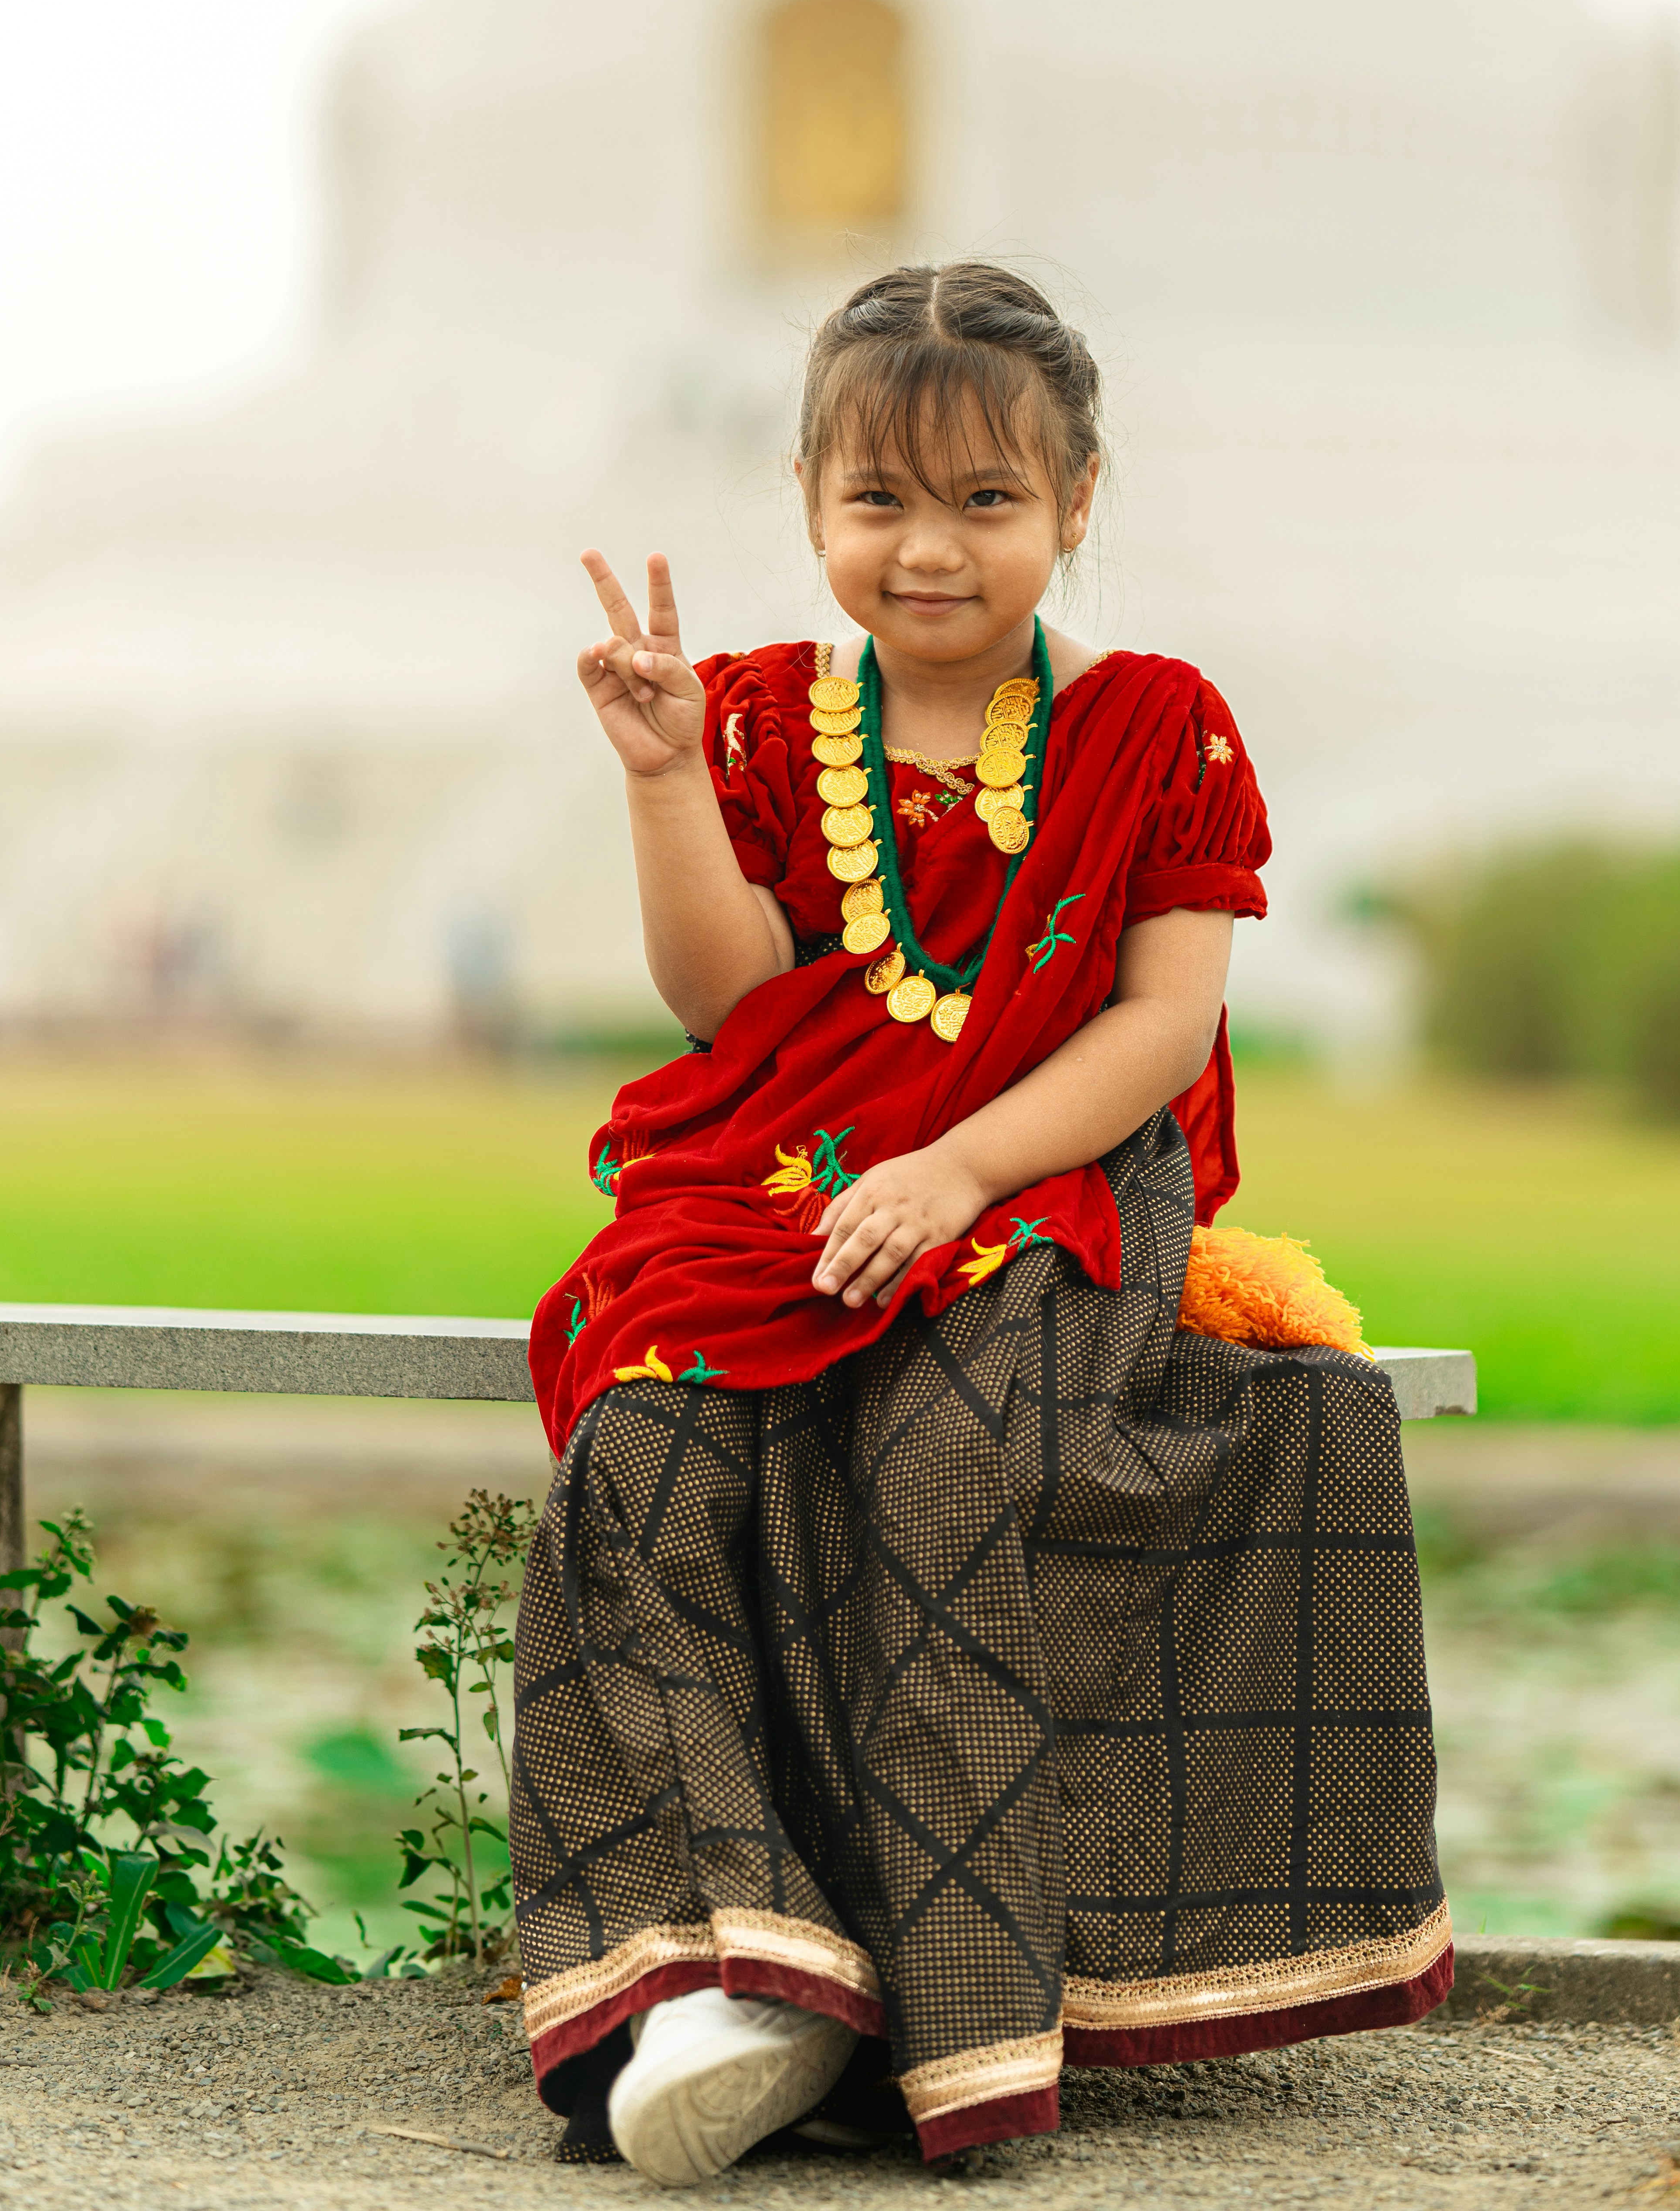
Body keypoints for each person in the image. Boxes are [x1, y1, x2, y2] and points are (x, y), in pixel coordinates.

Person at [511, 263, 1448, 2185]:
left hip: (1059, 1169)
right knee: (651, 1442)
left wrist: (960, 1175)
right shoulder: (758, 718)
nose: (929, 548)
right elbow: (727, 1002)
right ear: (807, 500)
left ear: (1077, 501)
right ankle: (735, 1972)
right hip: (795, 1153)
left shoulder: (1158, 727)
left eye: (987, 500)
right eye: (879, 499)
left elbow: (1162, 1026)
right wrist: (668, 778)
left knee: (942, 1451)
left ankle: (950, 2004)